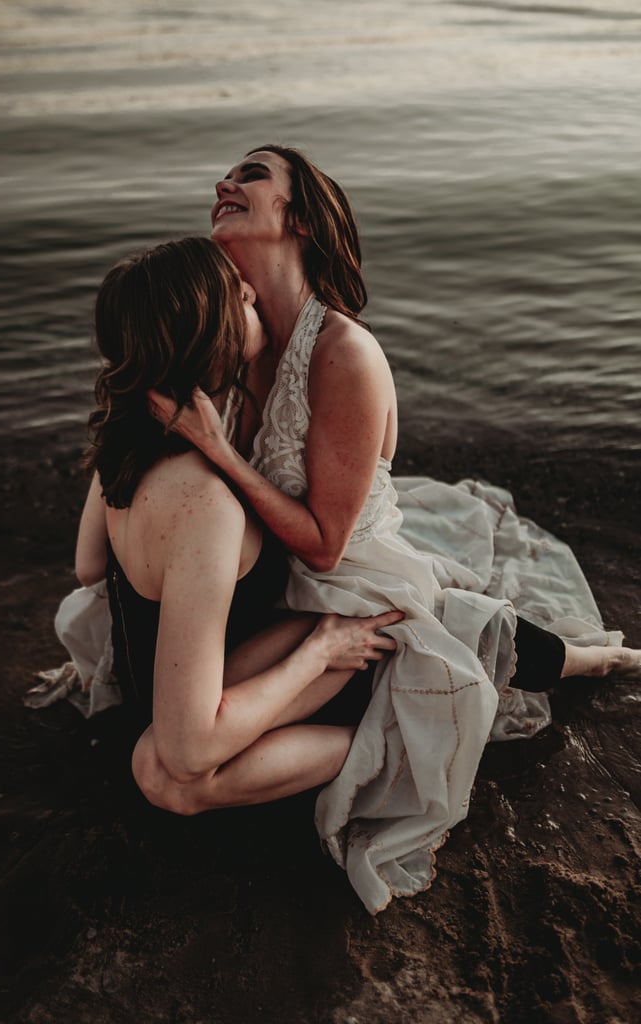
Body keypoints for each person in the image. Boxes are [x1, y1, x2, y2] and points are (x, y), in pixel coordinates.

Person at [147, 145, 641, 913]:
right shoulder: (235, 342)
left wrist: (215, 450)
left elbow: (324, 544)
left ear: (299, 218)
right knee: (180, 737)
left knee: (496, 644)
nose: (222, 183)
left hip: (349, 585)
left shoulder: (343, 353)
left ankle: (587, 663)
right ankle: (565, 656)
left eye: (249, 175)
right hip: (276, 588)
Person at [75, 234, 404, 816]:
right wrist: (320, 654)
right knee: (170, 771)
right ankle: (393, 750)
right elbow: (190, 748)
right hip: (229, 692)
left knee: (159, 764)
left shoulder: (124, 446)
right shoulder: (207, 506)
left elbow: (88, 567)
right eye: (234, 290)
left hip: (162, 683)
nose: (250, 288)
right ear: (208, 331)